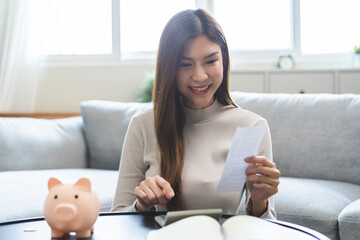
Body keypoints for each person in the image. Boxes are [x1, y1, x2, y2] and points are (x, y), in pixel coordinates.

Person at [111, 9, 280, 219]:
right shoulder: (143, 126)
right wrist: (142, 206)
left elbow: (264, 228)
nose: (200, 76)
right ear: (169, 67)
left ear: (224, 60)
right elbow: (117, 220)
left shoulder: (250, 128)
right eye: (185, 64)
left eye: (210, 61)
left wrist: (260, 201)